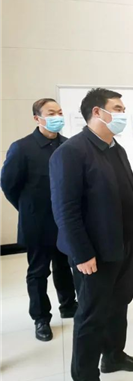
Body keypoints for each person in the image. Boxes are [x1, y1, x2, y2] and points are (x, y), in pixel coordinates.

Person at [50, 88, 133, 381]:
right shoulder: (71, 152)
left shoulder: (116, 149)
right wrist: (81, 253)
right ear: (97, 112)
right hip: (93, 253)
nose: (123, 114)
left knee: (119, 304)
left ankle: (114, 356)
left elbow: (129, 195)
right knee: (92, 313)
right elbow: (65, 210)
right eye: (117, 108)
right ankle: (85, 379)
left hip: (122, 246)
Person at [1, 98, 77, 342]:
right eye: (51, 113)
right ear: (37, 118)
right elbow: (9, 185)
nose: (57, 117)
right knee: (38, 272)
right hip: (37, 222)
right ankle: (41, 318)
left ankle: (68, 305)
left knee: (64, 265)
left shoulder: (68, 145)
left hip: (64, 222)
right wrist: (27, 209)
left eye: (60, 112)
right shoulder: (22, 148)